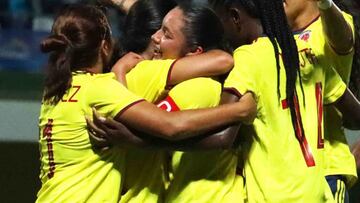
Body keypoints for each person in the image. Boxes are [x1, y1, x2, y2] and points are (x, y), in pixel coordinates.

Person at [36, 4, 256, 202]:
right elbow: (170, 125)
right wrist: (238, 110)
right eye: (159, 28)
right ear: (105, 46)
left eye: (165, 32)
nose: (155, 37)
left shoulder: (55, 90)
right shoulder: (118, 82)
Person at [283, 0, 360, 202]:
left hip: (326, 170)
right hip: (285, 177)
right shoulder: (273, 38)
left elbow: (343, 39)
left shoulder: (332, 26)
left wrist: (325, 4)